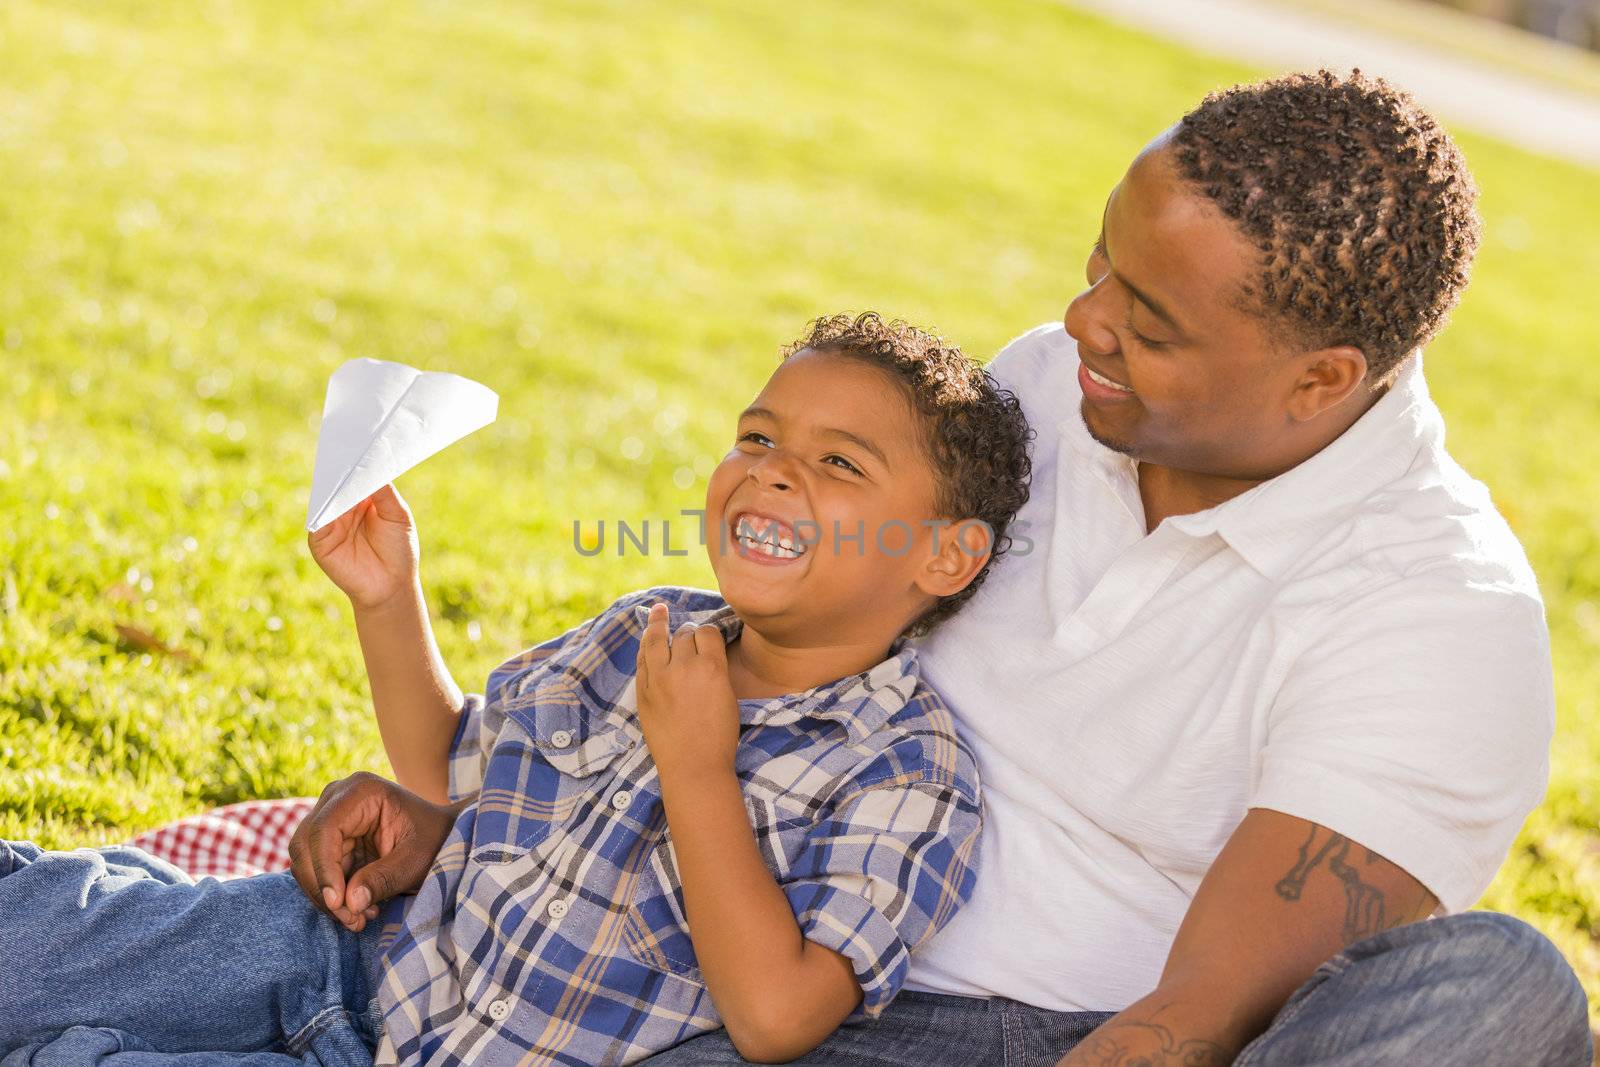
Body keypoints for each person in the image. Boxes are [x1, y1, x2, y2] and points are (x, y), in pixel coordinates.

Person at [642, 71, 1595, 1067]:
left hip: (1085, 1032)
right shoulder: (1049, 384)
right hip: (794, 953)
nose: (1085, 318)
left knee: (1497, 983)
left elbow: (1195, 1015)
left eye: (1149, 324)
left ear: (1320, 380)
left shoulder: (1440, 611)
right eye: (1101, 264)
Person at [0, 313, 1033, 1065]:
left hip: (499, 1050)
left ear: (944, 556)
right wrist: (387, 595)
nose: (768, 473)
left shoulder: (910, 769)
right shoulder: (650, 629)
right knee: (40, 936)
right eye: (756, 437)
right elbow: (454, 764)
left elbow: (774, 1015)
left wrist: (696, 764)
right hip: (352, 961)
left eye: (839, 463)